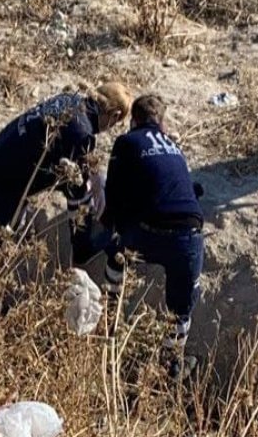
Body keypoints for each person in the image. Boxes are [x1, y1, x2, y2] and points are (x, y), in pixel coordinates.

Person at [79, 94, 206, 373]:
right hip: (191, 237)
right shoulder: (174, 146)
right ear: (161, 123)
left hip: (150, 233)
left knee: (116, 253)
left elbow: (114, 199)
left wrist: (107, 229)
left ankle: (110, 326)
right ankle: (171, 366)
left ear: (133, 121)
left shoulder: (126, 143)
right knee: (180, 312)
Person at [0, 83, 134, 248]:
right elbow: (78, 171)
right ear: (115, 116)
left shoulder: (69, 98)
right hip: (5, 180)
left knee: (71, 178)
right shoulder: (83, 133)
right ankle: (81, 245)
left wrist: (94, 173)